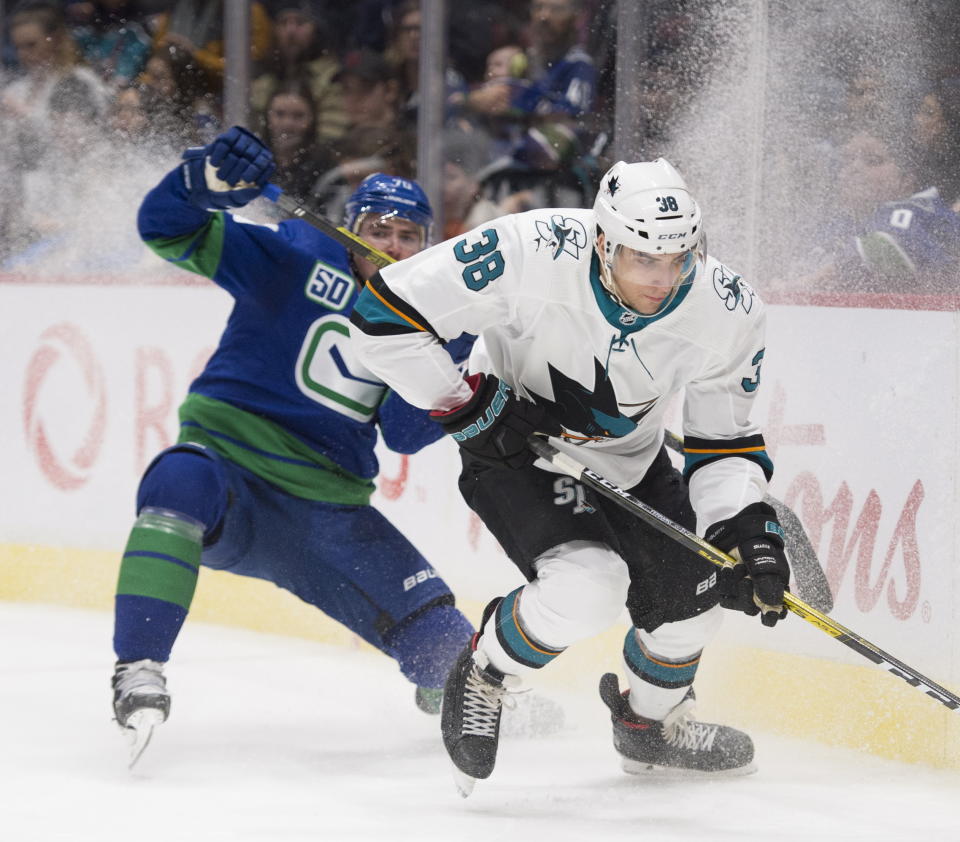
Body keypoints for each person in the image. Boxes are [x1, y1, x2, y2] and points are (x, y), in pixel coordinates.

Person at [349, 158, 790, 790]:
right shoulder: (528, 247)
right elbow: (383, 320)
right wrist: (465, 406)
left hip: (631, 460)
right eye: (645, 260)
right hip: (512, 447)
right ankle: (485, 671)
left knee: (694, 612)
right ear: (604, 241)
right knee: (589, 588)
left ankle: (648, 727)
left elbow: (724, 443)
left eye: (680, 259)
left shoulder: (730, 309)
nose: (664, 280)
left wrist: (745, 527)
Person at [110, 126, 475, 763]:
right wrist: (205, 184)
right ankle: (138, 668)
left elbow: (404, 433)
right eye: (378, 228)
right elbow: (165, 228)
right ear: (351, 227)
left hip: (327, 513)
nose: (390, 244)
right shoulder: (297, 253)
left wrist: (464, 353)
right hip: (230, 476)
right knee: (178, 480)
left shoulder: (427, 319)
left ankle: (441, 686)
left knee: (448, 646)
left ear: (424, 247)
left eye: (407, 235)